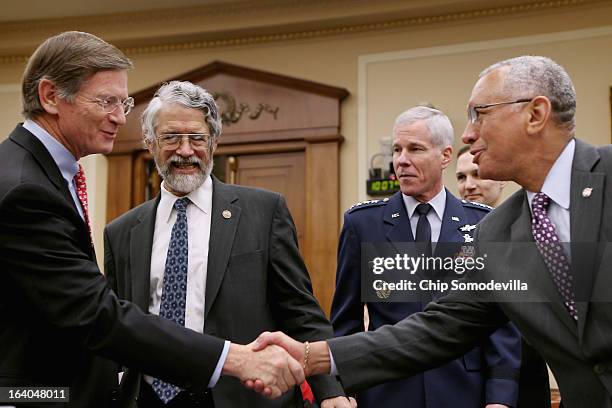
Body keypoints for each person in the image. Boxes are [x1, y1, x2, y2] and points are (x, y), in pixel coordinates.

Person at [253, 55, 612, 408]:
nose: (469, 133)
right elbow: (439, 327)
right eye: (397, 150)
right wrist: (313, 355)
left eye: (480, 114)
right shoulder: (498, 231)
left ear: (535, 114)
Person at [0, 31, 305, 408]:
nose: (118, 116)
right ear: (50, 96)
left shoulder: (43, 176)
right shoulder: (25, 189)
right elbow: (96, 313)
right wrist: (235, 358)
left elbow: (299, 310)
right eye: (107, 101)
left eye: (122, 102)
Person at [103, 80, 352, 408]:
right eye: (171, 137)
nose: (185, 150)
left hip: (242, 397)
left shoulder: (264, 212)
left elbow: (300, 311)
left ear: (214, 141)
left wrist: (331, 390)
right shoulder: (121, 232)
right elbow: (115, 326)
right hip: (150, 398)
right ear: (150, 142)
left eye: (197, 138)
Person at [330, 106, 521, 408]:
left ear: (445, 156)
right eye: (397, 149)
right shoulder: (363, 224)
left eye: (415, 149)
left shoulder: (484, 224)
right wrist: (340, 391)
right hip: (386, 393)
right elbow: (345, 321)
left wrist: (500, 398)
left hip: (464, 392)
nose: (401, 160)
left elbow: (500, 323)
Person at [456, 145, 551, 408]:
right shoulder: (458, 241)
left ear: (501, 179)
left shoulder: (533, 231)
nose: (469, 185)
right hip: (472, 371)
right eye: (461, 177)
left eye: (477, 174)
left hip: (525, 367)